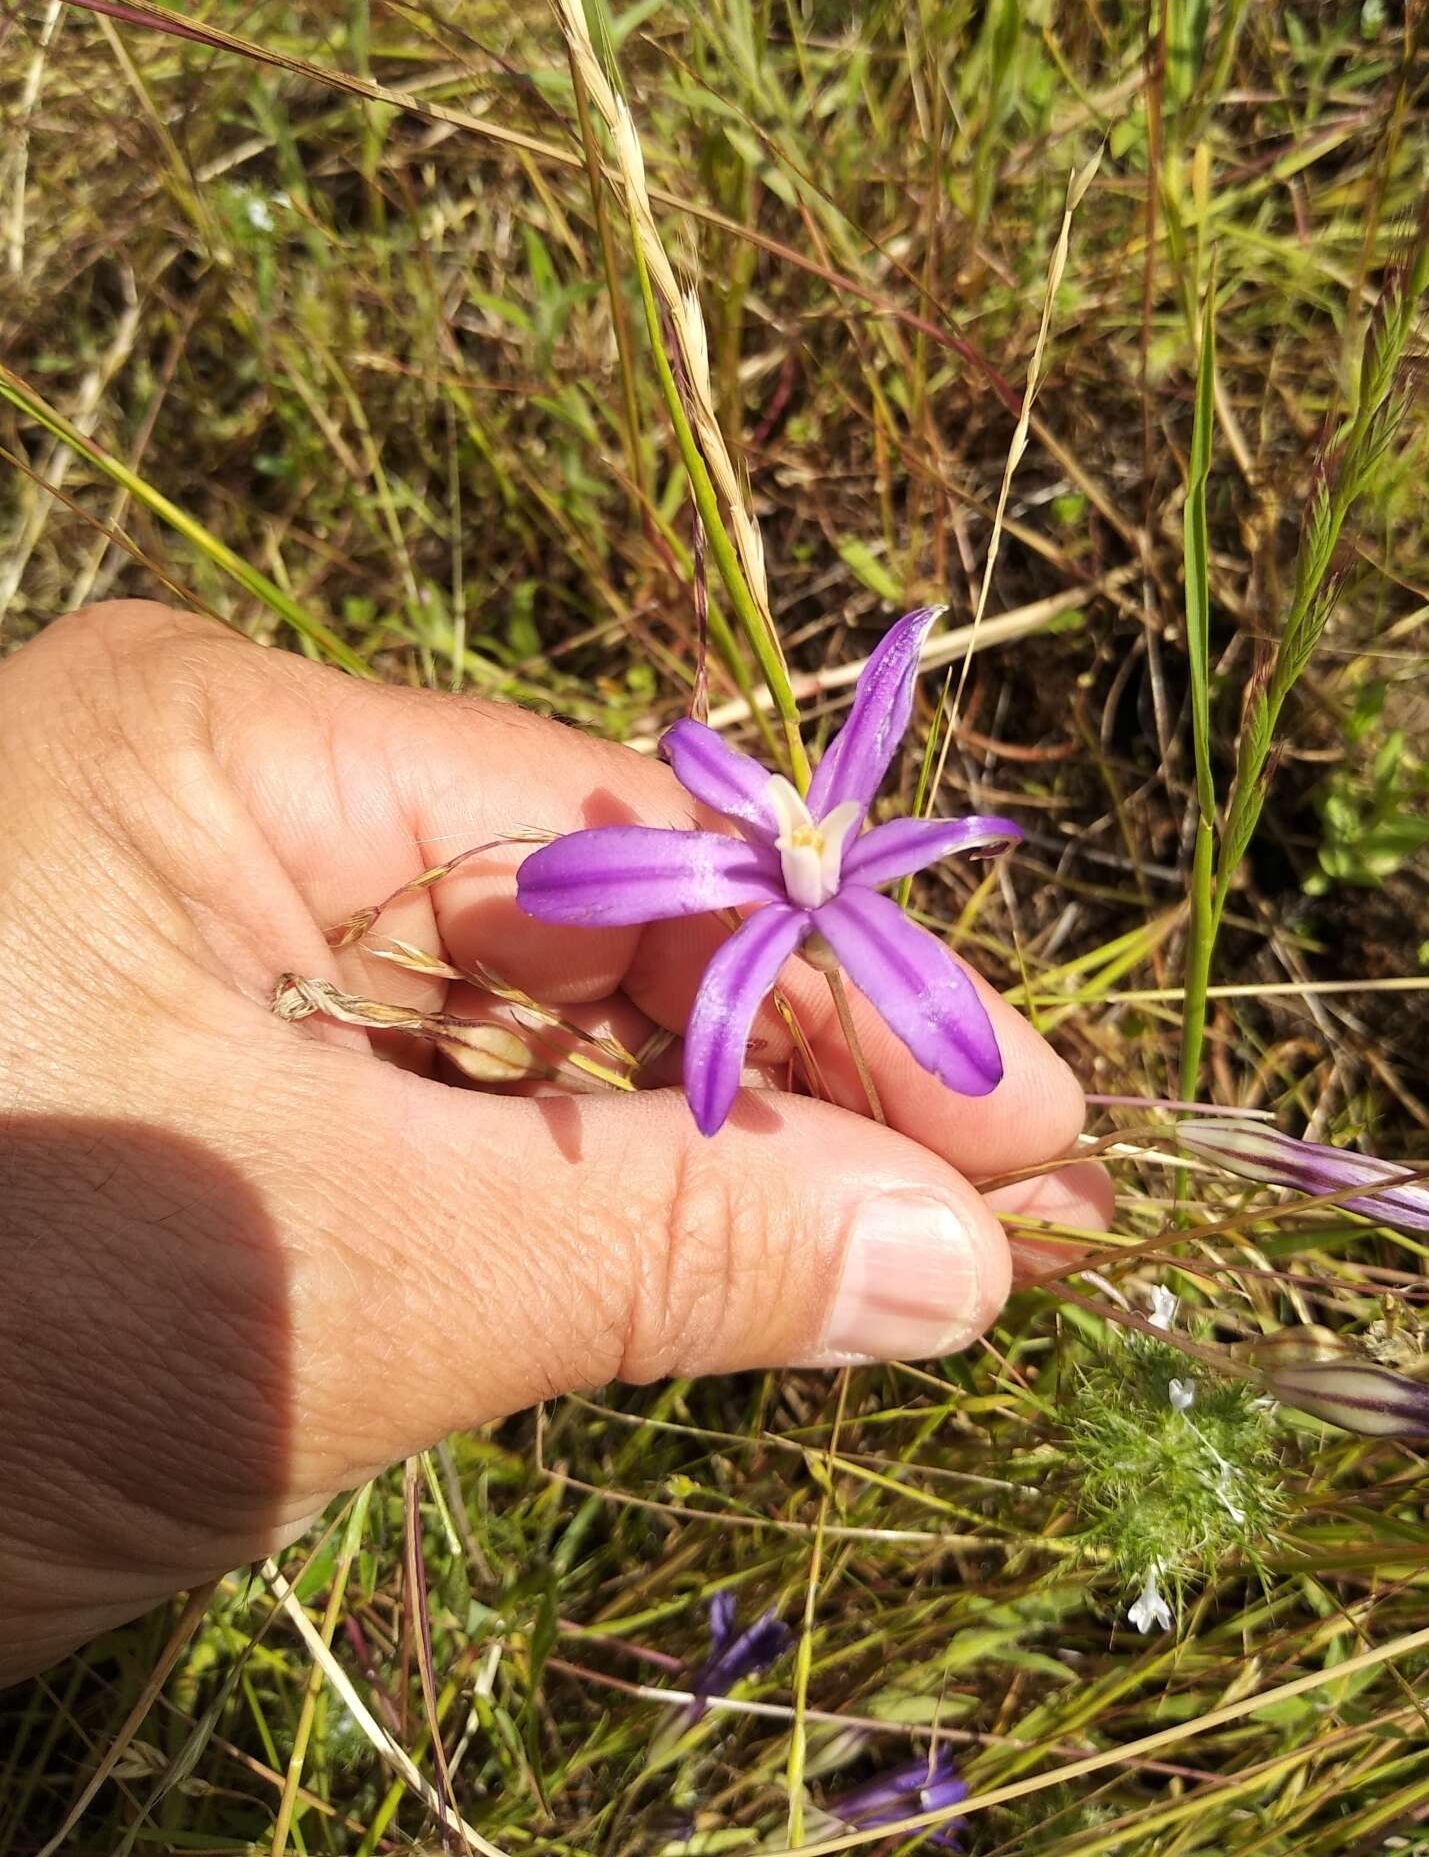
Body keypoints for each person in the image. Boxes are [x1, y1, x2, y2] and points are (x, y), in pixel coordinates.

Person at [0, 602, 1108, 1684]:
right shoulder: (741, 895)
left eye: (814, 831)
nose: (800, 838)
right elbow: (647, 963)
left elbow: (864, 719)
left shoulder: (808, 891)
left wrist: (964, 825)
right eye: (789, 822)